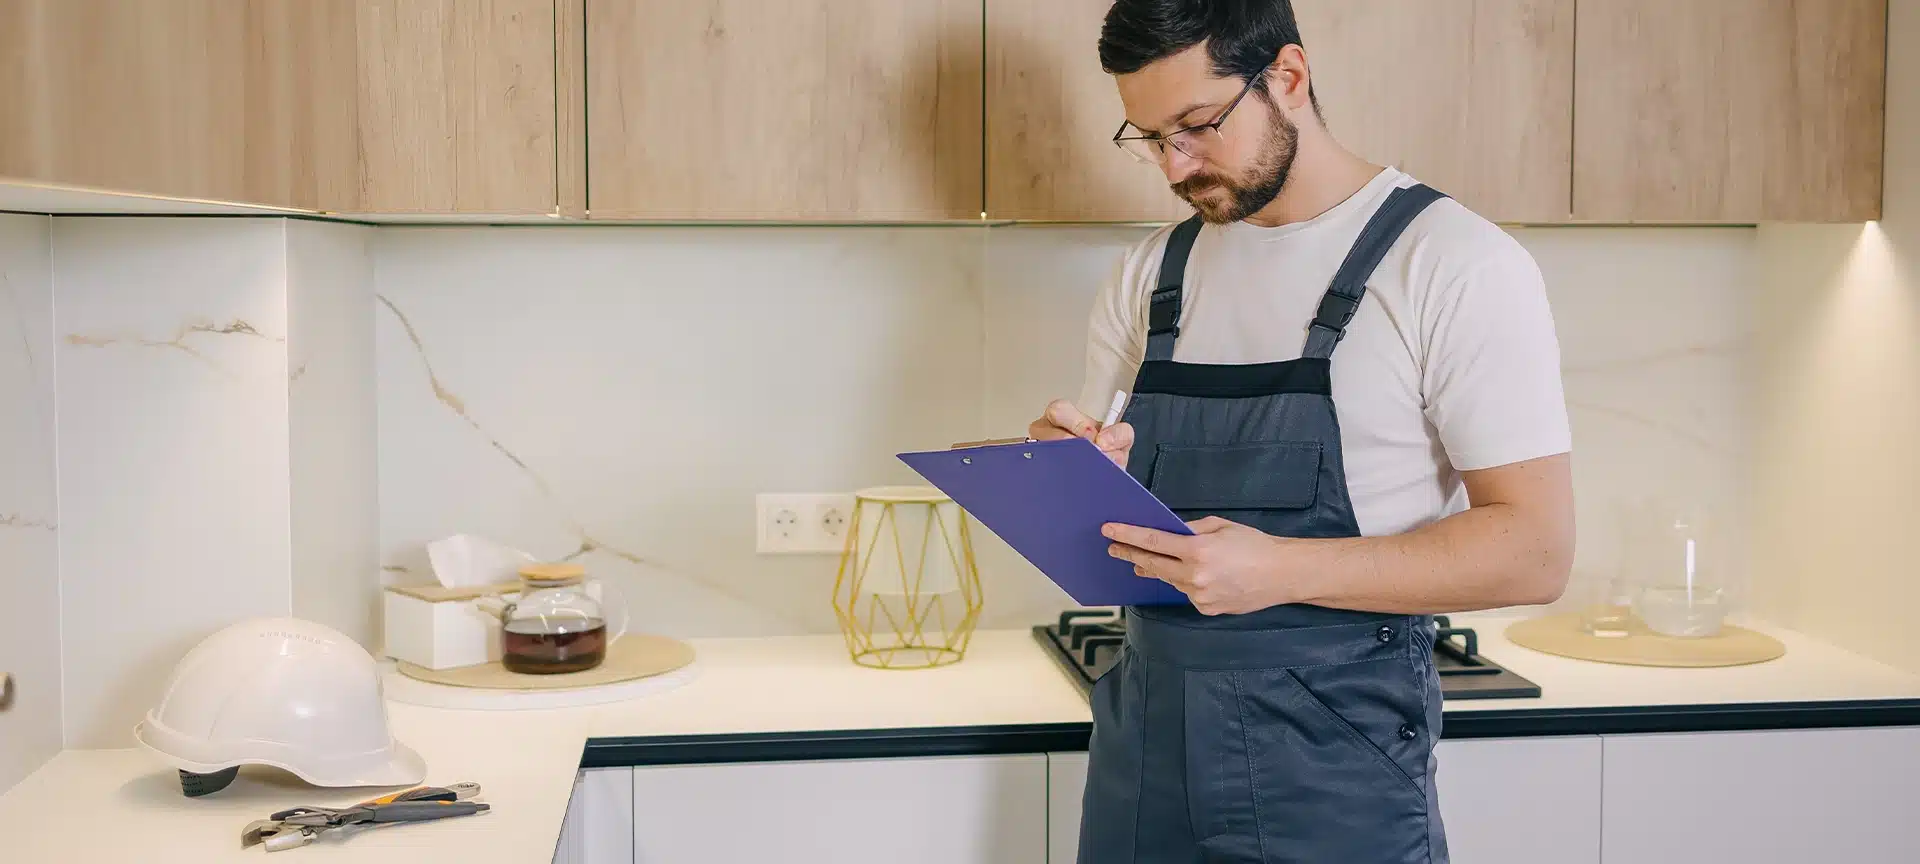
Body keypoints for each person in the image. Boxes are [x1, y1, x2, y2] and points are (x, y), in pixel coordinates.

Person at [1025, 2, 1575, 861]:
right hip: (1144, 749)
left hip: (1333, 757)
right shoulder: (1148, 275)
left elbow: (1536, 551)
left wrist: (1277, 570)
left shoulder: (1453, 264)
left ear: (1287, 75)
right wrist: (1067, 473)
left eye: (1198, 125)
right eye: (1148, 137)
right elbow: (1105, 527)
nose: (1176, 163)